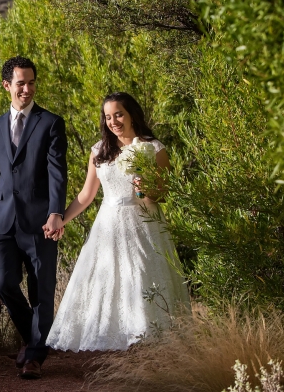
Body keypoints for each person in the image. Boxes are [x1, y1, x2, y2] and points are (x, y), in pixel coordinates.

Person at [43, 92, 189, 351]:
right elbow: (86, 196)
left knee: (142, 278)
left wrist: (146, 188)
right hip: (108, 226)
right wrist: (60, 219)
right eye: (108, 117)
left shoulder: (154, 148)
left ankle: (147, 346)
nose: (113, 121)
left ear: (132, 113)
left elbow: (162, 194)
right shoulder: (99, 151)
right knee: (108, 282)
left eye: (118, 114)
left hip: (144, 224)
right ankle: (110, 349)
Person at [0, 56, 67, 379]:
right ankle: (35, 341)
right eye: (20, 83)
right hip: (2, 221)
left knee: (42, 291)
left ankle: (33, 359)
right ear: (7, 86)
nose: (27, 89)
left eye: (31, 83)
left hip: (41, 221)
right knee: (3, 283)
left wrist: (56, 212)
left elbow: (58, 172)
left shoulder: (51, 123)